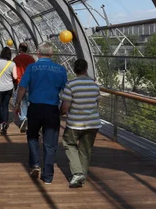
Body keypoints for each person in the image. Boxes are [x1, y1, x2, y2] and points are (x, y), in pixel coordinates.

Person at [14, 42, 67, 185]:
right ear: (51, 53)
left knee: (32, 136)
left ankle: (35, 164)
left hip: (35, 108)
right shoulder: (60, 70)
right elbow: (67, 91)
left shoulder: (32, 68)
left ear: (38, 53)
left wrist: (17, 103)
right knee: (50, 143)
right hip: (51, 109)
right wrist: (64, 109)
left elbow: (22, 87)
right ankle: (48, 176)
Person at [61, 59, 101, 188]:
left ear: (74, 69)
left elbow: (66, 105)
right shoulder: (94, 85)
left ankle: (77, 173)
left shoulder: (71, 84)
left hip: (75, 123)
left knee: (69, 144)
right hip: (92, 123)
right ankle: (81, 176)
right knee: (85, 150)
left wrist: (61, 112)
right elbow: (96, 104)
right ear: (86, 68)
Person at [0, 47, 18, 135]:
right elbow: (15, 77)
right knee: (5, 106)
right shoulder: (12, 64)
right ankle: (5, 122)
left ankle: (2, 122)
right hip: (8, 88)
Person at [13, 42, 35, 133]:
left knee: (20, 101)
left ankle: (23, 118)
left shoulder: (16, 58)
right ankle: (29, 117)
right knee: (29, 101)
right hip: (30, 82)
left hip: (19, 82)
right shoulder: (31, 59)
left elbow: (13, 71)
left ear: (20, 49)